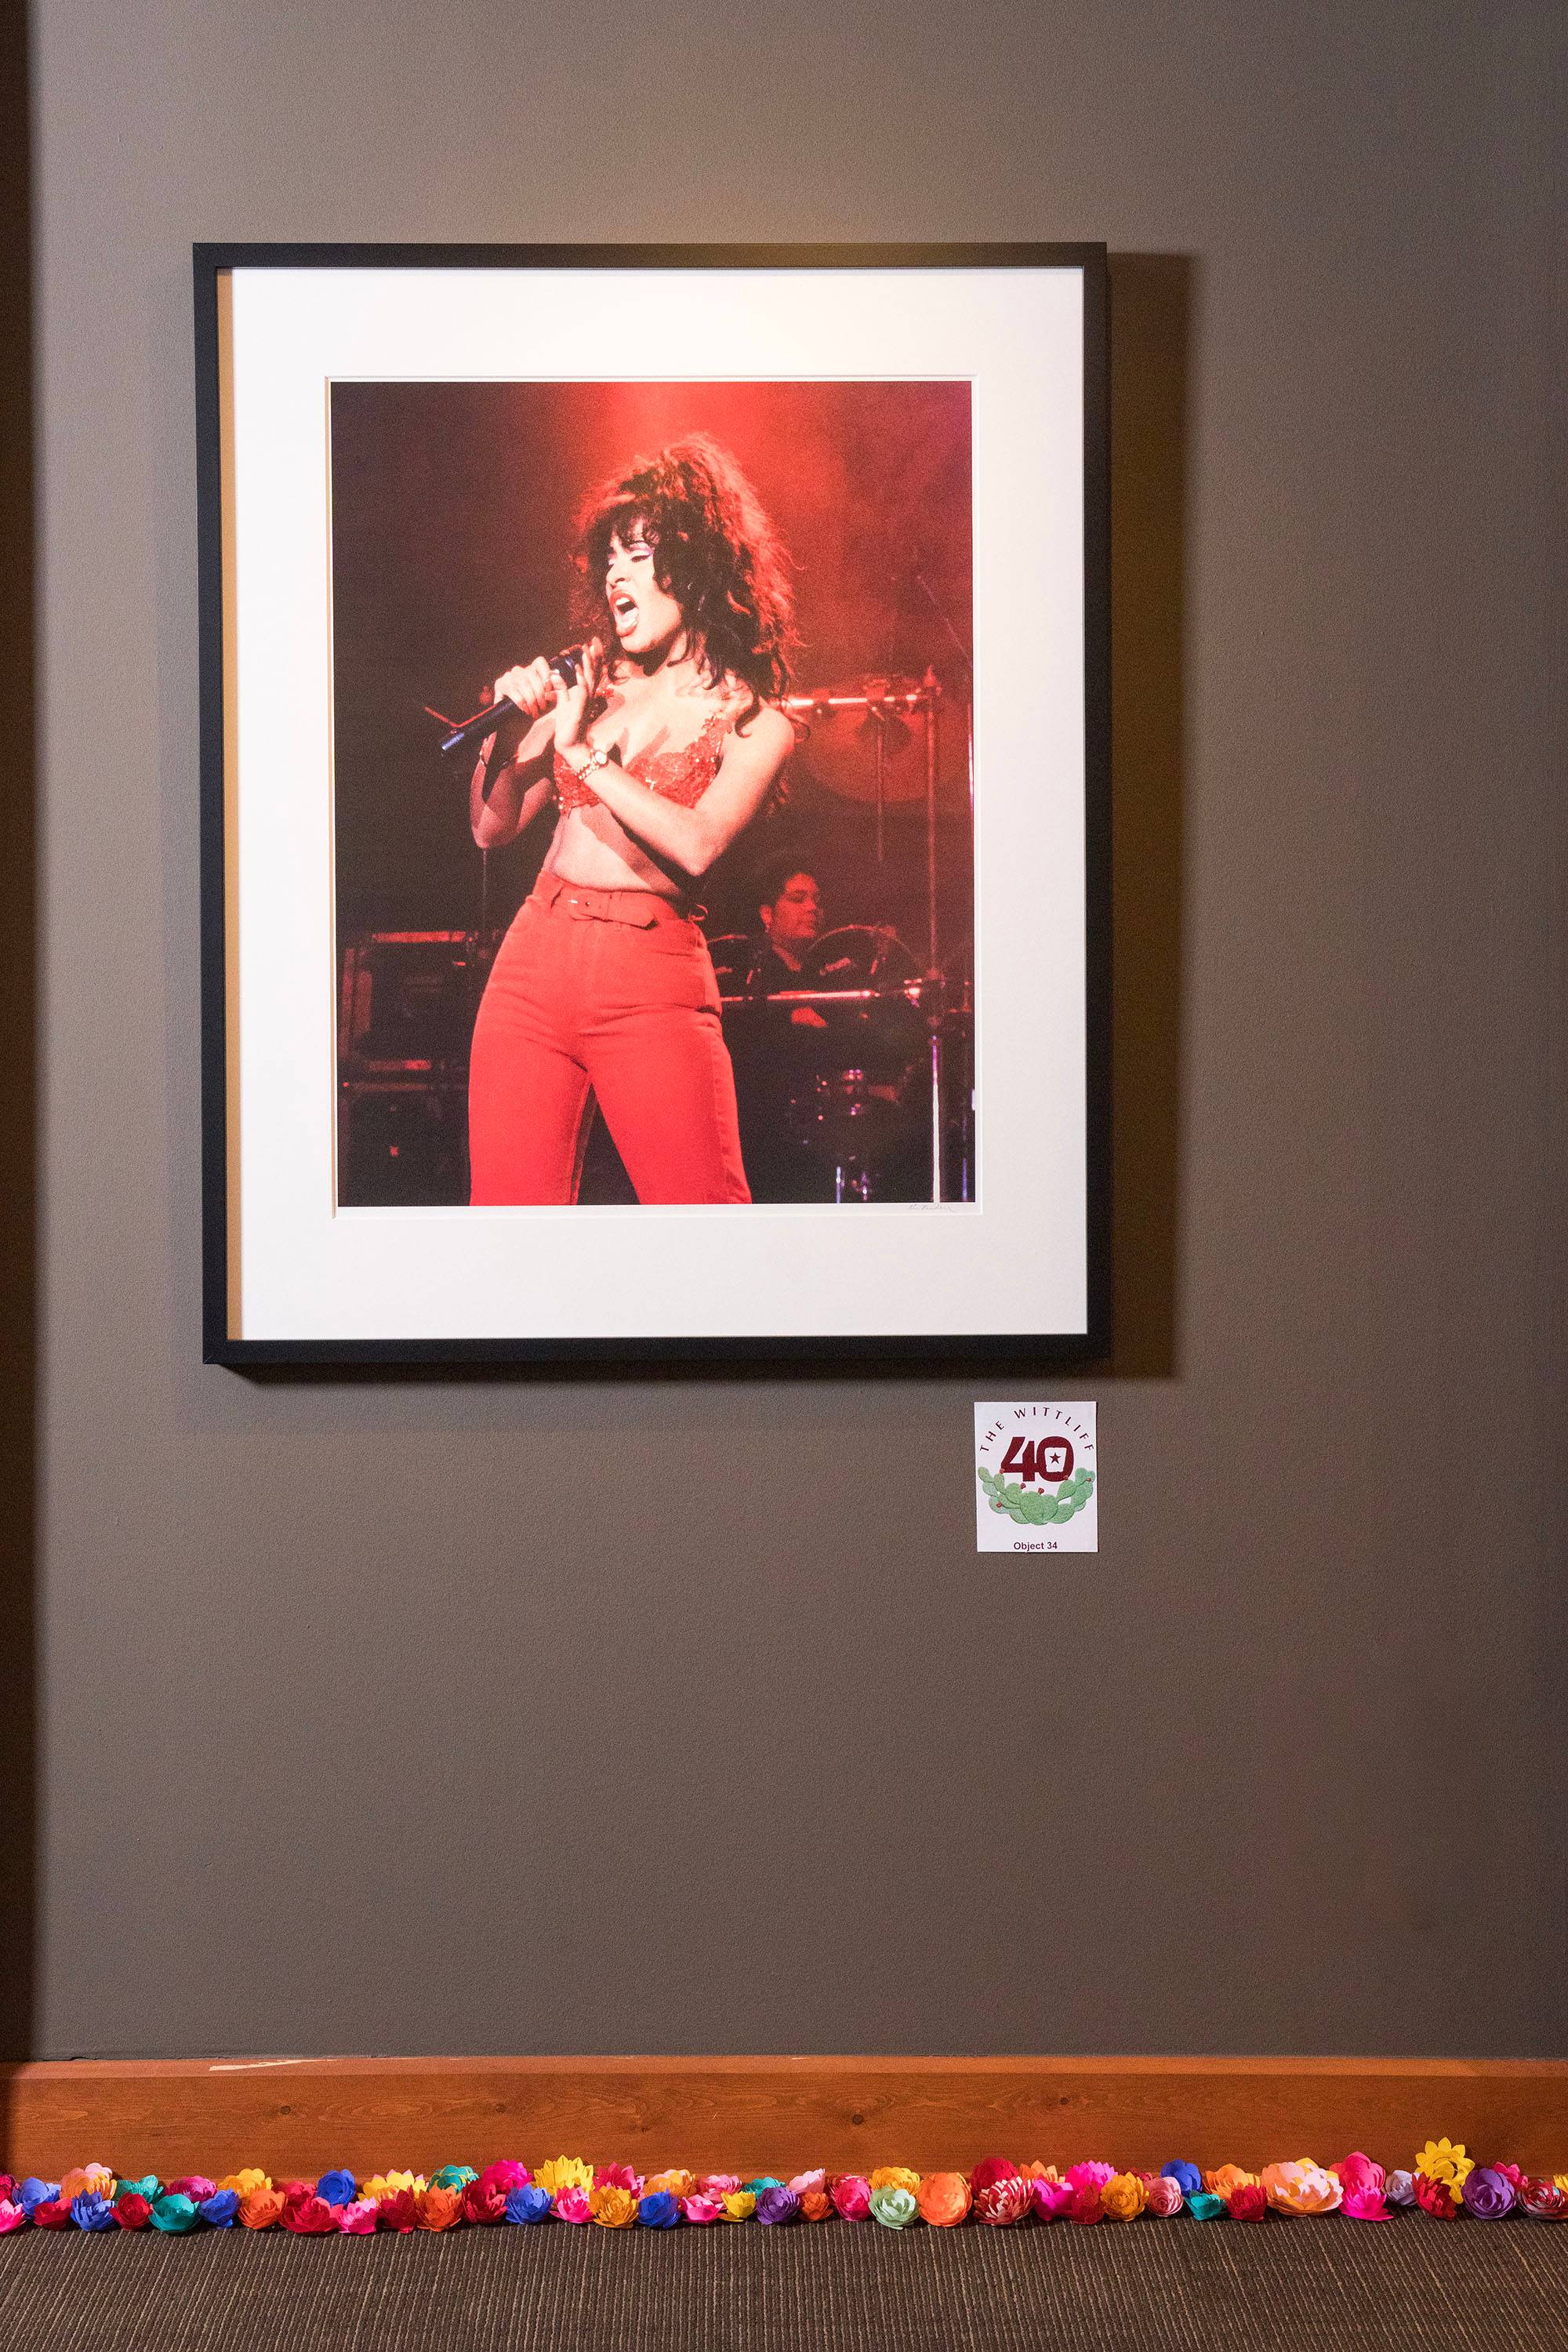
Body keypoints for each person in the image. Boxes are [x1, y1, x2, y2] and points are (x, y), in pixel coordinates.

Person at [465, 436, 797, 1205]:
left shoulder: (753, 720)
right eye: (608, 559)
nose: (614, 574)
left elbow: (697, 845)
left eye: (637, 555)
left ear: (700, 563)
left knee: (700, 1213)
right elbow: (490, 828)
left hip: (649, 979)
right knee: (507, 1221)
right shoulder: (594, 683)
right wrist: (504, 739)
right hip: (531, 963)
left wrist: (582, 754)